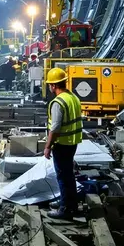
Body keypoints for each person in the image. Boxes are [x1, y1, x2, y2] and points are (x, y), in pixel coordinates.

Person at [43, 67, 83, 220]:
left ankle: (66, 209)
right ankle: (69, 202)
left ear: (53, 85)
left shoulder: (58, 102)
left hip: (62, 144)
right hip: (72, 142)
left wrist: (47, 147)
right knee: (68, 175)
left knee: (63, 176)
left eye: (49, 84)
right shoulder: (72, 97)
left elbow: (55, 127)